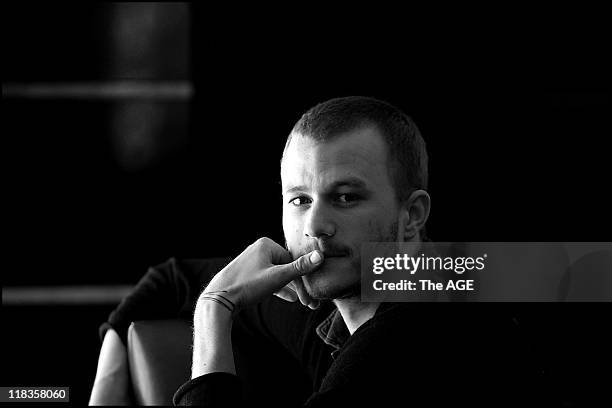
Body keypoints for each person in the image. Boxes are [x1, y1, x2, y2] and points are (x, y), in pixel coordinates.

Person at [90, 96, 555, 407]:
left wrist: (215, 310)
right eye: (300, 199)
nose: (314, 225)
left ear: (411, 215)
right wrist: (109, 378)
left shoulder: (411, 337)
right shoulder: (346, 294)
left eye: (346, 197)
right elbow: (173, 277)